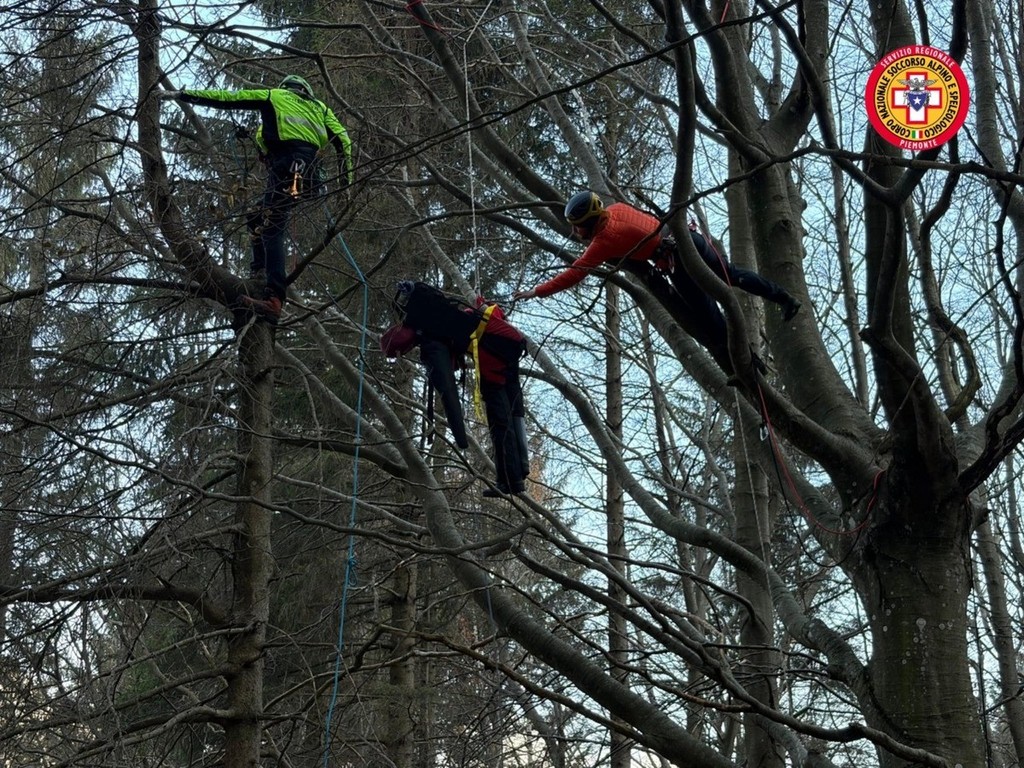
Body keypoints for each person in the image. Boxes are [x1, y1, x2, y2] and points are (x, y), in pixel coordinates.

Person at [514, 191, 800, 370]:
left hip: (678, 261)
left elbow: (574, 273)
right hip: (690, 239)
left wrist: (536, 292)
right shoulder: (617, 208)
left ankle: (750, 363)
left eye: (578, 227)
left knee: (709, 317)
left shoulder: (603, 243)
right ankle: (784, 298)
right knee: (733, 275)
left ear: (589, 223)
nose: (576, 233)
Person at [161, 75, 354, 323]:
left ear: (285, 88)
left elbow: (229, 98)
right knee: (256, 216)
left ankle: (275, 298)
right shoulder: (321, 108)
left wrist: (183, 95)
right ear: (306, 91)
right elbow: (344, 141)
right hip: (311, 175)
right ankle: (260, 272)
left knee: (272, 226)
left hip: (287, 168)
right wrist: (346, 184)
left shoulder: (274, 96)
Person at [381, 282, 530, 497]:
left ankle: (509, 481)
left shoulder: (430, 333)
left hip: (493, 354)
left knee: (500, 420)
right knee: (514, 410)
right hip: (511, 344)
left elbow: (448, 390)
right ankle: (519, 472)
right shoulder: (455, 313)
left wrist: (460, 438)